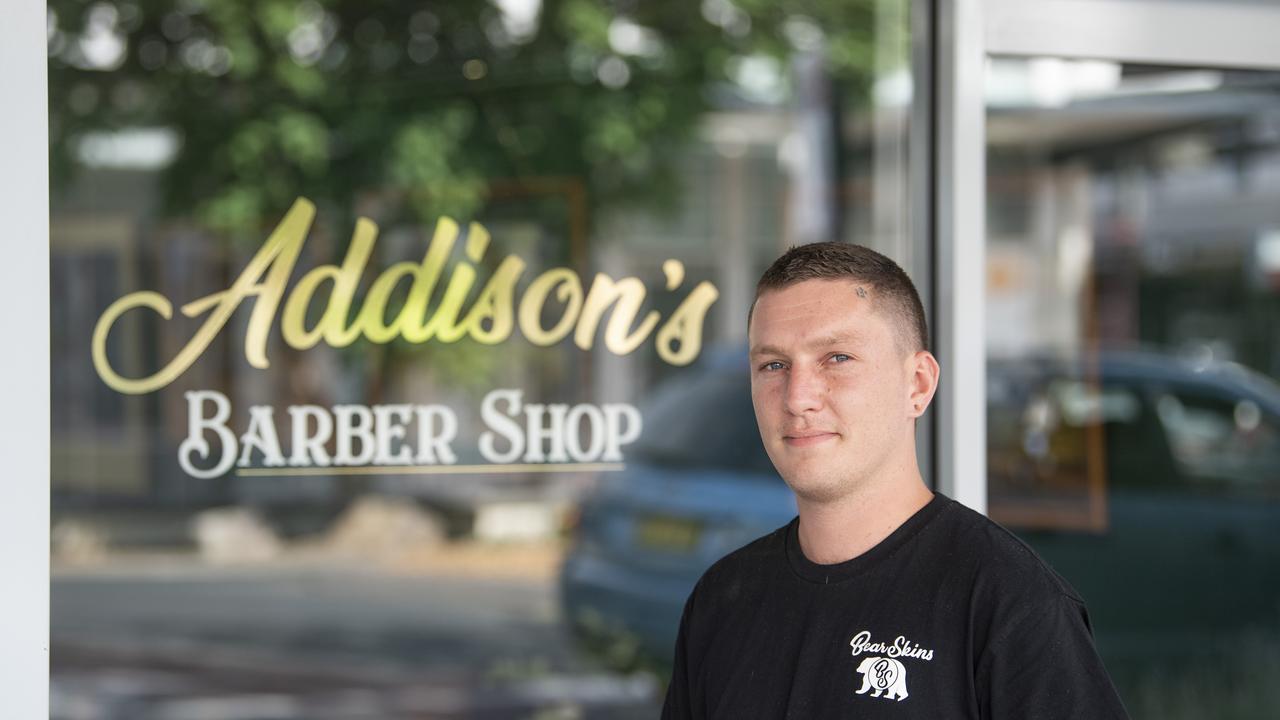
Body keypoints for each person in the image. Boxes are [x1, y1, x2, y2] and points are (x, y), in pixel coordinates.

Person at [661, 242, 1128, 719]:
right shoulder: (723, 600)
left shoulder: (1008, 605)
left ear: (918, 385)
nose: (798, 397)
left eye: (837, 358)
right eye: (774, 365)